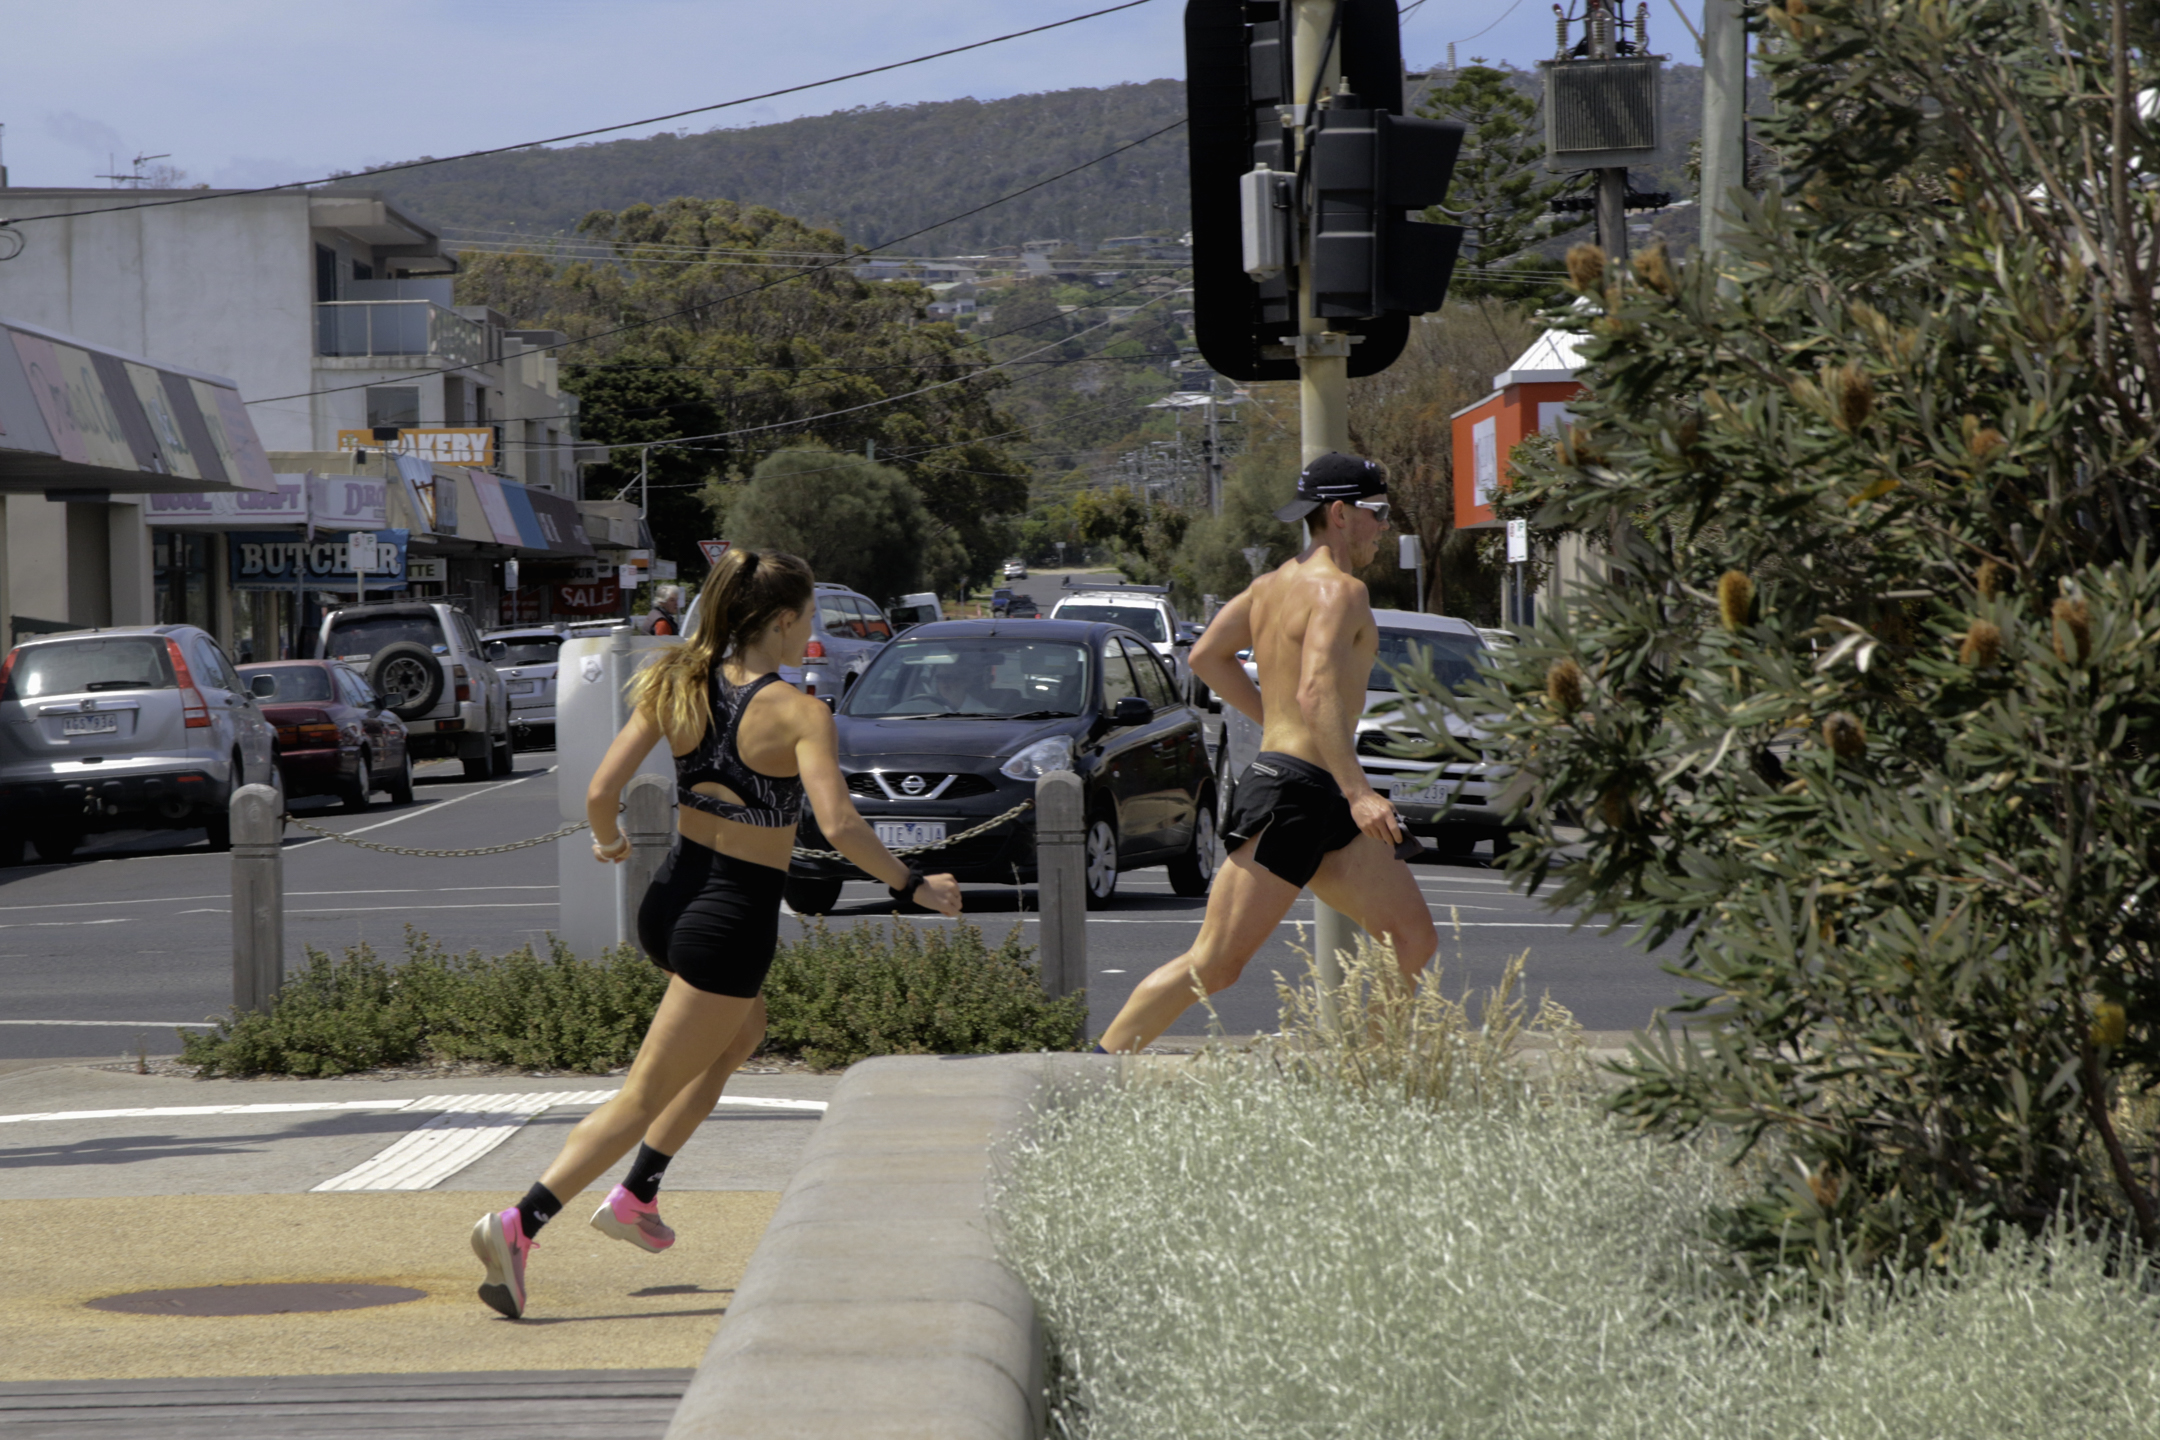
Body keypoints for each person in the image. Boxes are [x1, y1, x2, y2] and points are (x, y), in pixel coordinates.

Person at [469, 549, 962, 1320]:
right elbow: (837, 824)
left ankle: (638, 1194)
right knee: (641, 1096)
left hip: (670, 904)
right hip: (729, 921)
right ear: (782, 620)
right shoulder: (801, 714)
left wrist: (609, 842)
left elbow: (603, 791)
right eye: (809, 621)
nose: (813, 636)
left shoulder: (678, 682)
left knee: (740, 1034)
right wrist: (913, 886)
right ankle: (519, 1224)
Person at [1091, 452, 1438, 1054]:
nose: (1385, 525)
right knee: (1216, 965)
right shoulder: (1341, 591)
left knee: (1411, 938)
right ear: (1339, 513)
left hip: (1313, 786)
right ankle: (1095, 1069)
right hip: (1295, 795)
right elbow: (1316, 691)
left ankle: (1370, 1081)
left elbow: (1206, 659)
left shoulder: (1269, 587)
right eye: (1377, 512)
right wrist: (1358, 792)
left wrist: (1275, 724)